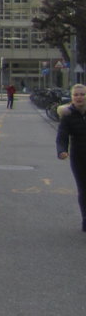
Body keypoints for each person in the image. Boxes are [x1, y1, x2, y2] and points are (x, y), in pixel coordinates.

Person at [55, 83, 86, 232]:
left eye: (82, 94)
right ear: (72, 97)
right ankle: (85, 220)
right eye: (76, 95)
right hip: (79, 156)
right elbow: (62, 136)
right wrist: (61, 150)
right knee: (83, 189)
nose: (79, 97)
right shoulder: (67, 115)